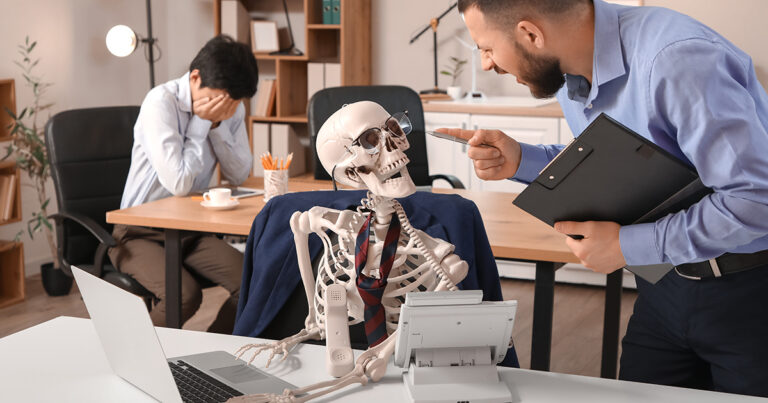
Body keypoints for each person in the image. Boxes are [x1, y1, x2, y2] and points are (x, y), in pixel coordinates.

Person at [439, 0, 768, 397]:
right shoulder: (571, 72)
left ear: (530, 34)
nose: (488, 64)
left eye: (487, 48)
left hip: (748, 292)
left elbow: (756, 201)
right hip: (663, 286)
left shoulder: (679, 61)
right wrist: (521, 159)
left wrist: (627, 245)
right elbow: (610, 160)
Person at [109, 35, 258, 333]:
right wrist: (201, 123)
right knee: (185, 296)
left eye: (235, 103)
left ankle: (214, 353)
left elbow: (240, 174)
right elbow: (179, 183)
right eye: (222, 101)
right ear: (195, 77)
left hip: (191, 231)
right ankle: (134, 361)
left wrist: (217, 127)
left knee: (255, 283)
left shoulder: (231, 108)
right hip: (139, 232)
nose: (228, 109)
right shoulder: (161, 103)